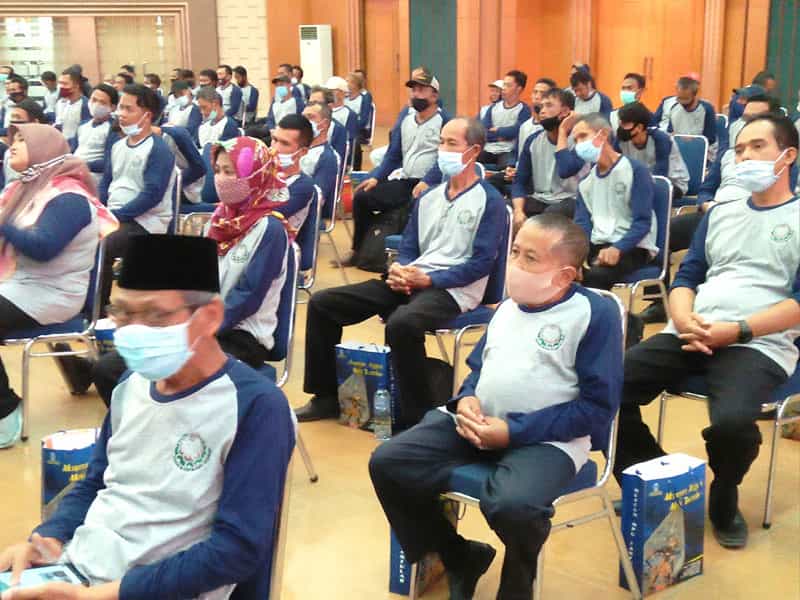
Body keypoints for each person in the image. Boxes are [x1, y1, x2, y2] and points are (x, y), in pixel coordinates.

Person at [0, 233, 294, 597]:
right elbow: (97, 482)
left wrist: (106, 594)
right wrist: (47, 540)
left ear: (210, 316)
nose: (134, 330)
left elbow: (236, 550)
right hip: (81, 570)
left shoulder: (255, 407)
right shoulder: (131, 384)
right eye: (122, 313)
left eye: (155, 316)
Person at [369, 214, 622, 600]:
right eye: (515, 252)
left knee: (513, 505)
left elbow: (597, 408)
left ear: (565, 276)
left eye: (530, 258)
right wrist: (466, 398)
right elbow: (478, 371)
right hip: (476, 422)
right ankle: (461, 556)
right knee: (390, 462)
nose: (515, 265)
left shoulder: (593, 315)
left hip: (549, 440)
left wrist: (512, 432)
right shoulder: (507, 306)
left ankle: (516, 589)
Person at [614, 114, 800, 549]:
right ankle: (663, 481)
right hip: (693, 328)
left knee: (733, 423)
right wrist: (682, 319)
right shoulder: (722, 213)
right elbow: (687, 277)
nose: (745, 157)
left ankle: (724, 491)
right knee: (604, 388)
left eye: (757, 146)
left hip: (758, 342)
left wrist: (737, 330)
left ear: (788, 155)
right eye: (740, 149)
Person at [297, 117, 506, 425]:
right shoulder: (428, 197)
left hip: (452, 290)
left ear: (474, 151)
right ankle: (325, 396)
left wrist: (430, 279)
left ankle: (414, 417)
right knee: (323, 303)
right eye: (440, 142)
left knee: (402, 323)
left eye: (451, 143)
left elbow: (481, 263)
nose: (442, 150)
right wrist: (400, 268)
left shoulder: (490, 202)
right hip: (413, 279)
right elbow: (409, 245)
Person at [91, 138, 292, 404]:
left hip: (241, 335)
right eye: (217, 170)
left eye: (230, 171)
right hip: (199, 324)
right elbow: (195, 282)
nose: (221, 179)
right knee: (107, 369)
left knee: (154, 372)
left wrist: (195, 327)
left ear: (255, 175)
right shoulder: (219, 220)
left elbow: (248, 296)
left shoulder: (270, 229)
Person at [0, 124, 116, 447]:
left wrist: (3, 224)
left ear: (44, 150)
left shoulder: (69, 198)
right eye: (12, 139)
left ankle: (5, 411)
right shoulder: (25, 189)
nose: (12, 145)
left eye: (22, 140)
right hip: (21, 286)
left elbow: (43, 247)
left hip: (52, 294)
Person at [639, 94, 792, 325]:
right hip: (715, 214)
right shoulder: (730, 155)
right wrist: (706, 204)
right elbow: (706, 188)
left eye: (758, 117)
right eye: (745, 118)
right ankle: (660, 302)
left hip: (757, 218)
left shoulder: (781, 162)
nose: (749, 123)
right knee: (663, 233)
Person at [349, 68, 447, 263]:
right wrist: (376, 177)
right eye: (414, 90)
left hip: (430, 184)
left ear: (434, 95)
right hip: (405, 181)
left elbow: (443, 158)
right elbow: (393, 155)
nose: (416, 94)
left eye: (421, 90)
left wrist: (428, 180)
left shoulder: (445, 121)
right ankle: (360, 250)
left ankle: (405, 257)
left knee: (416, 203)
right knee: (362, 197)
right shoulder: (406, 121)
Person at [98, 84, 176, 308]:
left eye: (128, 109)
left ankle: (98, 310)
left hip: (146, 222)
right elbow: (106, 182)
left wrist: (116, 216)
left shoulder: (158, 150)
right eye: (120, 108)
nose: (120, 114)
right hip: (117, 216)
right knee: (77, 236)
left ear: (147, 115)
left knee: (101, 244)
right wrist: (100, 211)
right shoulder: (118, 145)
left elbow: (151, 195)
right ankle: (84, 306)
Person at [572, 113, 657, 291]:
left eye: (583, 136)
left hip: (633, 246)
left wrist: (618, 248)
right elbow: (583, 224)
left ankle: (604, 309)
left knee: (595, 277)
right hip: (598, 244)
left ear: (603, 134)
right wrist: (577, 258)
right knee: (562, 270)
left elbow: (642, 223)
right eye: (575, 140)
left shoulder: (635, 171)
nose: (579, 144)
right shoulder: (585, 183)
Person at [511, 88, 584, 227]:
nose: (542, 111)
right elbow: (519, 181)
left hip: (571, 200)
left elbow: (566, 169)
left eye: (549, 105)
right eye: (541, 106)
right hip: (540, 199)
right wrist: (518, 211)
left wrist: (563, 131)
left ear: (565, 112)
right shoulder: (532, 140)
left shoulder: (580, 140)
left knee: (547, 217)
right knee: (505, 207)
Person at [614, 101, 690, 198]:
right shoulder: (621, 139)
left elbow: (660, 177)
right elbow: (613, 167)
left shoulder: (661, 139)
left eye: (625, 123)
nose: (621, 127)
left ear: (639, 127)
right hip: (640, 182)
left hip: (672, 184)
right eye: (621, 123)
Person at [268, 114, 315, 231]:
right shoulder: (261, 171)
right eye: (274, 140)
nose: (275, 148)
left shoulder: (304, 186)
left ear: (302, 152)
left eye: (285, 143)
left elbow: (267, 216)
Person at [653, 75, 717, 158]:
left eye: (686, 99)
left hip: (702, 152)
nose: (682, 102)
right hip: (678, 151)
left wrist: (692, 140)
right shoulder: (674, 108)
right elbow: (671, 133)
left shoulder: (707, 109)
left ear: (694, 96)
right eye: (679, 98)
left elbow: (710, 139)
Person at [479, 70, 532, 170]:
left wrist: (498, 130)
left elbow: (517, 130)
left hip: (508, 151)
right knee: (471, 162)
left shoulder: (524, 110)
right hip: (489, 149)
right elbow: (484, 131)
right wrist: (502, 136)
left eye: (508, 85)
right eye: (504, 84)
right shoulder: (493, 108)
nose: (503, 88)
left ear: (519, 89)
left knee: (506, 170)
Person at [301, 102, 340, 216]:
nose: (304, 122)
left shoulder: (328, 157)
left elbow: (317, 198)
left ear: (324, 124)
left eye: (310, 117)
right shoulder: (295, 150)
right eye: (303, 117)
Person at [75, 84, 120, 182]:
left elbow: (109, 162)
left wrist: (83, 165)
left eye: (102, 102)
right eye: (94, 100)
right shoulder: (83, 125)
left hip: (94, 178)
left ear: (113, 107)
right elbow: (74, 148)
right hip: (75, 173)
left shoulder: (113, 129)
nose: (96, 105)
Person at [0, 99, 49, 190]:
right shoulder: (10, 152)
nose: (13, 122)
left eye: (17, 118)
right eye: (12, 118)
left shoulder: (50, 151)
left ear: (35, 123)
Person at [326, 76, 360, 165]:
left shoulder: (350, 114)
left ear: (343, 93)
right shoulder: (322, 111)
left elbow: (350, 142)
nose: (329, 93)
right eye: (328, 90)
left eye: (333, 90)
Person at [309, 86, 347, 165]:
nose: (311, 107)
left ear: (329, 106)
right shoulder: (301, 123)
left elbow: (337, 161)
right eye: (310, 103)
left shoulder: (338, 129)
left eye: (316, 103)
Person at [344, 71, 374, 170]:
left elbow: (363, 121)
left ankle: (354, 168)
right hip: (344, 128)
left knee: (353, 141)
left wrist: (350, 126)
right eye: (346, 81)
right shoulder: (344, 98)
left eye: (350, 82)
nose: (347, 84)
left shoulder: (363, 98)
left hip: (359, 130)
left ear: (357, 84)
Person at [54, 69, 90, 148]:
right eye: (59, 83)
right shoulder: (61, 103)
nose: (61, 86)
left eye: (65, 83)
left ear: (76, 86)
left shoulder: (85, 105)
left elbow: (85, 133)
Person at [164, 80, 201, 144]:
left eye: (181, 94)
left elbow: (191, 130)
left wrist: (173, 128)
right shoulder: (173, 109)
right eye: (176, 96)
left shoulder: (194, 109)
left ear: (189, 91)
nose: (179, 97)